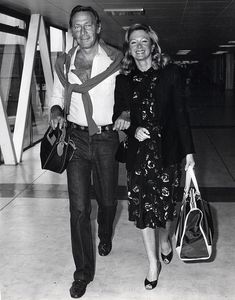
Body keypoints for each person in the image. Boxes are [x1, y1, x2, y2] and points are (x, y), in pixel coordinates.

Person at [113, 24, 195, 290]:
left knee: (168, 206)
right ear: (129, 49)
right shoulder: (123, 80)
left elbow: (181, 113)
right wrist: (132, 127)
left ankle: (165, 239)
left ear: (153, 45)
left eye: (143, 41)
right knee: (144, 212)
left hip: (167, 152)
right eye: (133, 42)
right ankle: (152, 263)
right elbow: (120, 114)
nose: (138, 46)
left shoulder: (170, 74)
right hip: (139, 156)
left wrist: (189, 151)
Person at [49, 5, 123, 298]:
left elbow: (127, 95)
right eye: (76, 27)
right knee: (79, 209)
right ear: (71, 31)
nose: (83, 32)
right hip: (76, 139)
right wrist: (55, 110)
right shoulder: (65, 62)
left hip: (106, 139)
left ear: (98, 27)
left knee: (106, 201)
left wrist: (128, 113)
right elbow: (57, 95)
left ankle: (105, 233)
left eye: (88, 25)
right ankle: (83, 273)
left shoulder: (116, 59)